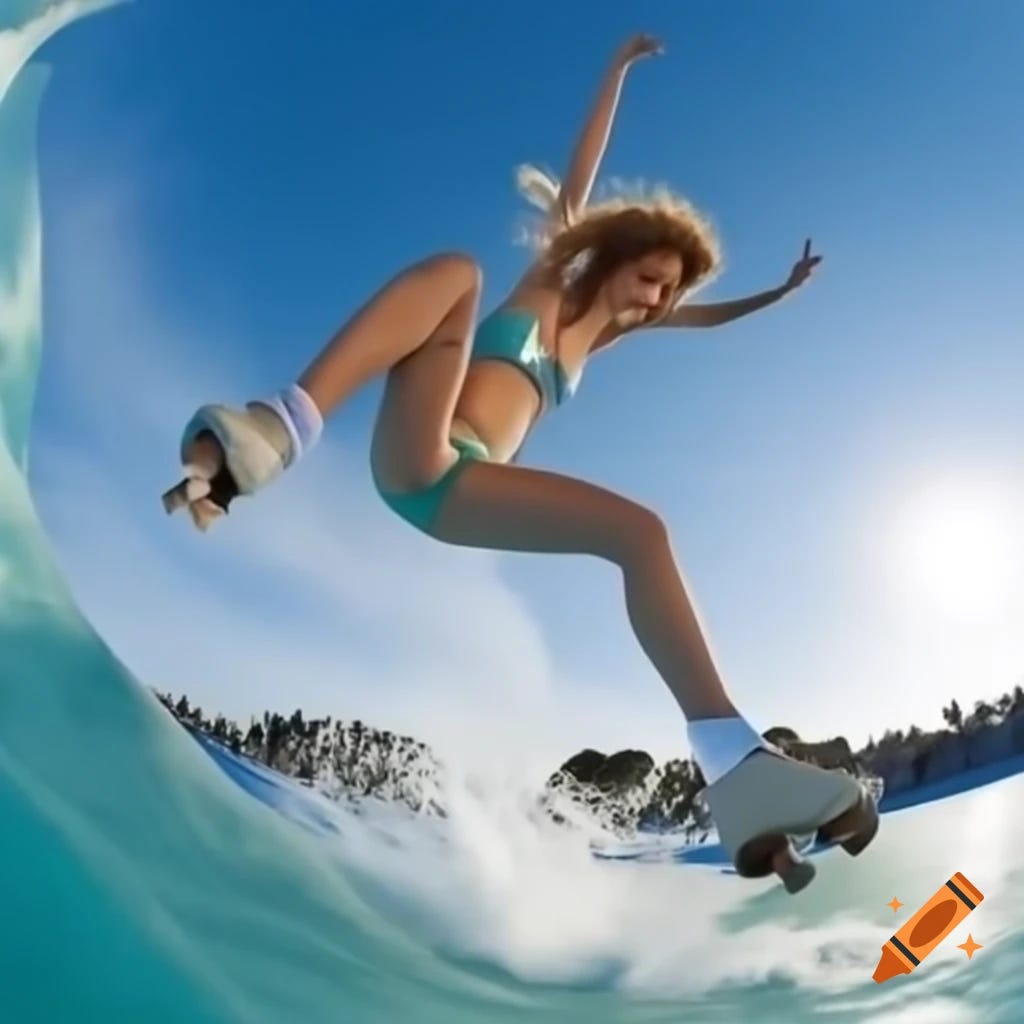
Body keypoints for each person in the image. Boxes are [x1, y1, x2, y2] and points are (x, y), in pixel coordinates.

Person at [163, 33, 876, 892]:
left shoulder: (606, 341)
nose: (654, 299)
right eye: (648, 277)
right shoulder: (549, 274)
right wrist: (615, 71)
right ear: (614, 258)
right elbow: (583, 169)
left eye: (666, 292)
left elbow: (708, 317)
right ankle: (279, 429)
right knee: (459, 274)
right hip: (424, 450)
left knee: (642, 535)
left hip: (462, 489)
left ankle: (736, 769)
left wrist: (780, 293)